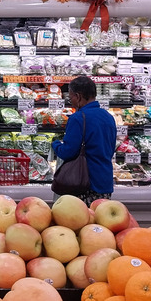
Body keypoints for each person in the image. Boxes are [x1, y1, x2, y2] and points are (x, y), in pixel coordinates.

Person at [52, 76, 117, 206]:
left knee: (82, 224)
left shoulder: (78, 118)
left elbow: (68, 152)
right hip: (105, 181)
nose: (71, 102)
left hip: (85, 183)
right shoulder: (108, 117)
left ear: (78, 96)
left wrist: (56, 144)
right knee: (99, 223)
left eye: (71, 98)